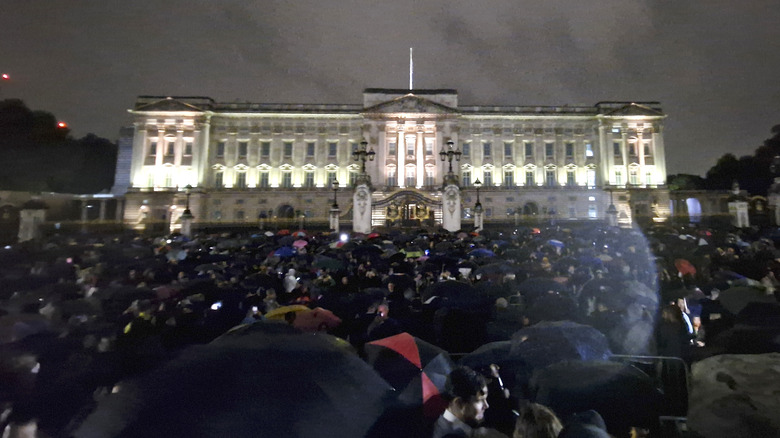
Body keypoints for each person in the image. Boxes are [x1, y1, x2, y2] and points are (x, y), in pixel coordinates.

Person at [433, 366, 508, 438]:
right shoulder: (450, 435)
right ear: (459, 403)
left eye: (485, 399)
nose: (486, 405)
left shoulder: (452, 425)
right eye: (480, 400)